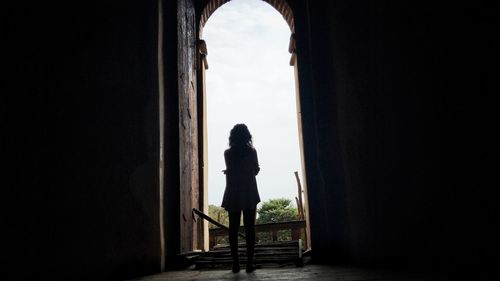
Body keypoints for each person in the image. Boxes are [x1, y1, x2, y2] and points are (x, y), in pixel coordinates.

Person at [221, 123, 261, 273]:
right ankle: (250, 263)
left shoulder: (227, 153)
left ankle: (235, 264)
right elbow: (255, 170)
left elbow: (232, 170)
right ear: (247, 136)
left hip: (233, 191)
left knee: (233, 229)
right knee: (250, 228)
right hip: (249, 190)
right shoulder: (252, 152)